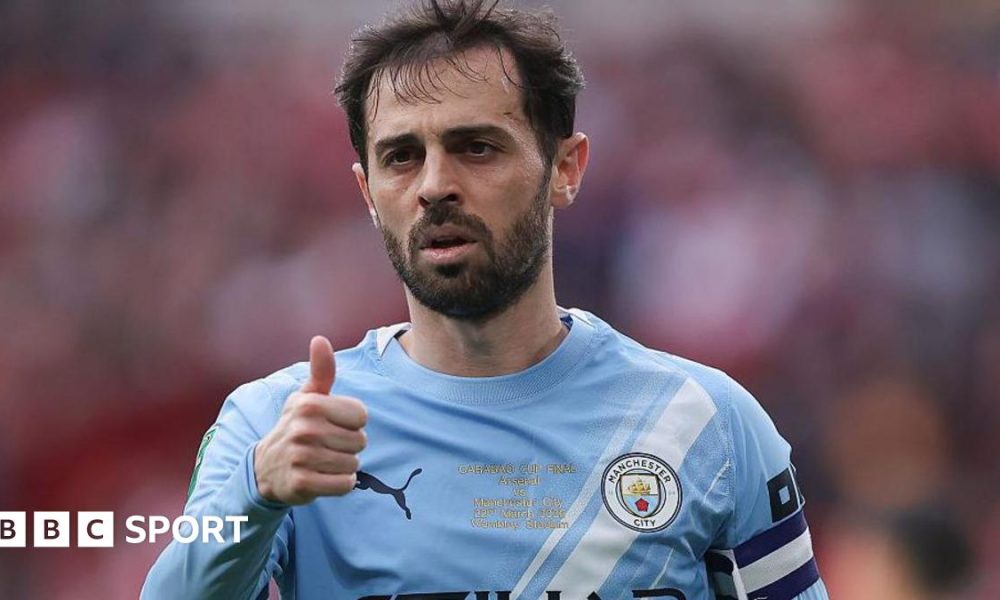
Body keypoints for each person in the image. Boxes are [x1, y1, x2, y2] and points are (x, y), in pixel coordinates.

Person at [142, 1, 828, 598]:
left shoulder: (707, 425)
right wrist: (256, 494)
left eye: (476, 147)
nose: (434, 184)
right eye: (401, 156)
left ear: (565, 168)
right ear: (367, 194)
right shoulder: (276, 424)